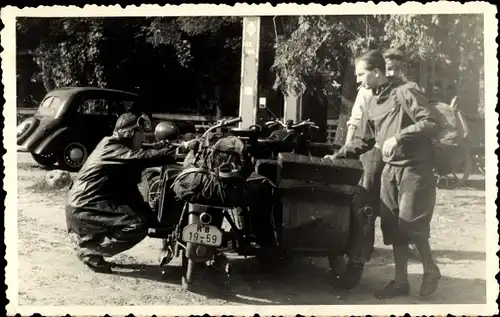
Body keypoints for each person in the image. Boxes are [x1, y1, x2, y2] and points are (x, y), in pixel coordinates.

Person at [326, 50, 442, 298]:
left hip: (414, 168)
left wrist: (399, 137)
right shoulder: (370, 103)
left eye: (361, 74)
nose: (359, 80)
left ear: (376, 72)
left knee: (410, 223)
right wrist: (339, 154)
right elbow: (365, 140)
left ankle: (431, 269)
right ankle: (401, 282)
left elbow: (432, 122)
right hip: (389, 170)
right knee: (392, 226)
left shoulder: (405, 91)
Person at [65, 112, 193, 273]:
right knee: (137, 225)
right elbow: (142, 157)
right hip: (86, 204)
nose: (144, 139)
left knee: (147, 217)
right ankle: (90, 251)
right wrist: (181, 149)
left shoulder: (116, 145)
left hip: (95, 199)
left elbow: (146, 151)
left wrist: (166, 147)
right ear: (131, 133)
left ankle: (92, 246)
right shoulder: (113, 149)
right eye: (141, 134)